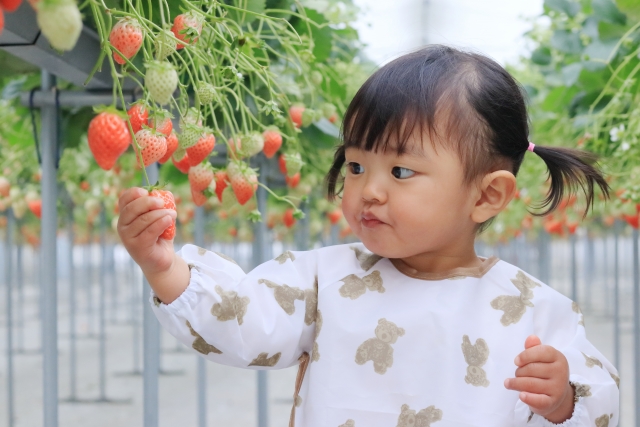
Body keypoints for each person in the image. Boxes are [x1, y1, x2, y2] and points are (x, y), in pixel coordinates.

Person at [117, 45, 619, 427]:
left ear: (487, 196)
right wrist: (166, 268)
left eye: (401, 172)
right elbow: (241, 321)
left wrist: (565, 399)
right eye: (356, 164)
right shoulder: (322, 279)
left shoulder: (530, 308)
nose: (368, 190)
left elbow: (601, 399)